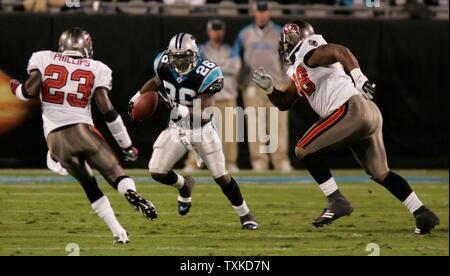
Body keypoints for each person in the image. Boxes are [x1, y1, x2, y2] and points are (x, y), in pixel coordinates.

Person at [251, 20, 440, 234]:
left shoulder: (309, 51)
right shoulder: (299, 67)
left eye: (286, 42)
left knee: (303, 148)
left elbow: (340, 51)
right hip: (366, 113)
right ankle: (422, 213)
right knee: (381, 173)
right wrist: (270, 90)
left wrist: (358, 77)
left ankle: (336, 200)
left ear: (297, 40)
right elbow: (285, 102)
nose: (283, 47)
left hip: (351, 109)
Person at [10, 27, 157, 244]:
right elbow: (108, 111)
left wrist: (15, 88)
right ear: (87, 49)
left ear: (62, 47)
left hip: (57, 140)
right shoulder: (97, 68)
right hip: (83, 131)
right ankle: (129, 192)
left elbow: (27, 92)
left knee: (89, 185)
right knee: (115, 174)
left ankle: (118, 232)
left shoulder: (44, 58)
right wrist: (126, 145)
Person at [128, 33, 258, 230]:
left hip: (202, 129)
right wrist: (137, 97)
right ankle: (184, 185)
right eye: (176, 58)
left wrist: (177, 108)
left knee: (221, 176)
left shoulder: (208, 73)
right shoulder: (163, 64)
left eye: (184, 58)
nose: (180, 64)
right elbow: (155, 82)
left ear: (195, 56)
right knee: (156, 170)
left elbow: (204, 114)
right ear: (169, 56)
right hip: (177, 127)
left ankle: (245, 214)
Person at [232, 0, 292, 172]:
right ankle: (259, 161)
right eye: (259, 11)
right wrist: (238, 76)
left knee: (278, 124)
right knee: (254, 125)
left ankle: (281, 160)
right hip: (252, 84)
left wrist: (289, 80)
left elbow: (287, 58)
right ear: (254, 12)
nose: (262, 14)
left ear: (269, 13)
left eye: (264, 11)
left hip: (277, 83)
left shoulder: (280, 32)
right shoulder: (244, 33)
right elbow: (237, 58)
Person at [184, 19, 241, 173]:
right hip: (204, 98)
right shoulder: (201, 49)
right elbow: (195, 68)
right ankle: (193, 162)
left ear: (223, 31)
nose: (217, 32)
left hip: (227, 96)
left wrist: (212, 66)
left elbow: (236, 66)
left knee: (230, 134)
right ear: (209, 31)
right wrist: (223, 66)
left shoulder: (230, 49)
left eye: (219, 29)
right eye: (214, 30)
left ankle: (229, 163)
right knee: (197, 132)